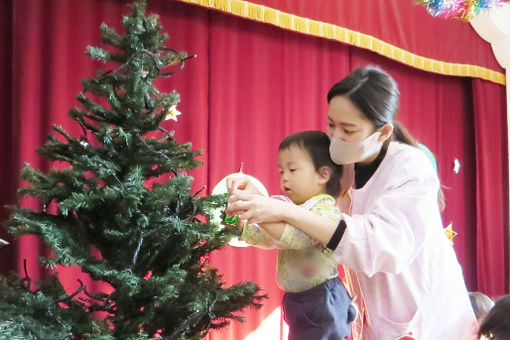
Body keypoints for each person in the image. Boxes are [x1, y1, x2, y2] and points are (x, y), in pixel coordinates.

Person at [226, 65, 477, 339]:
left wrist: (282, 210)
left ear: (382, 133)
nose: (335, 137)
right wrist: (260, 200)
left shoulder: (410, 167)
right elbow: (309, 212)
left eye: (348, 129)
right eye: (331, 124)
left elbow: (381, 245)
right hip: (372, 317)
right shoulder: (345, 165)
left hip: (427, 321)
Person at [240, 131, 356, 340]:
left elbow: (297, 238)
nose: (285, 177)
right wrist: (241, 226)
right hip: (297, 298)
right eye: (281, 171)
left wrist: (259, 213)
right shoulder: (290, 206)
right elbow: (270, 238)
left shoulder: (325, 207)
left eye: (292, 169)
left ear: (323, 174)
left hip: (321, 297)